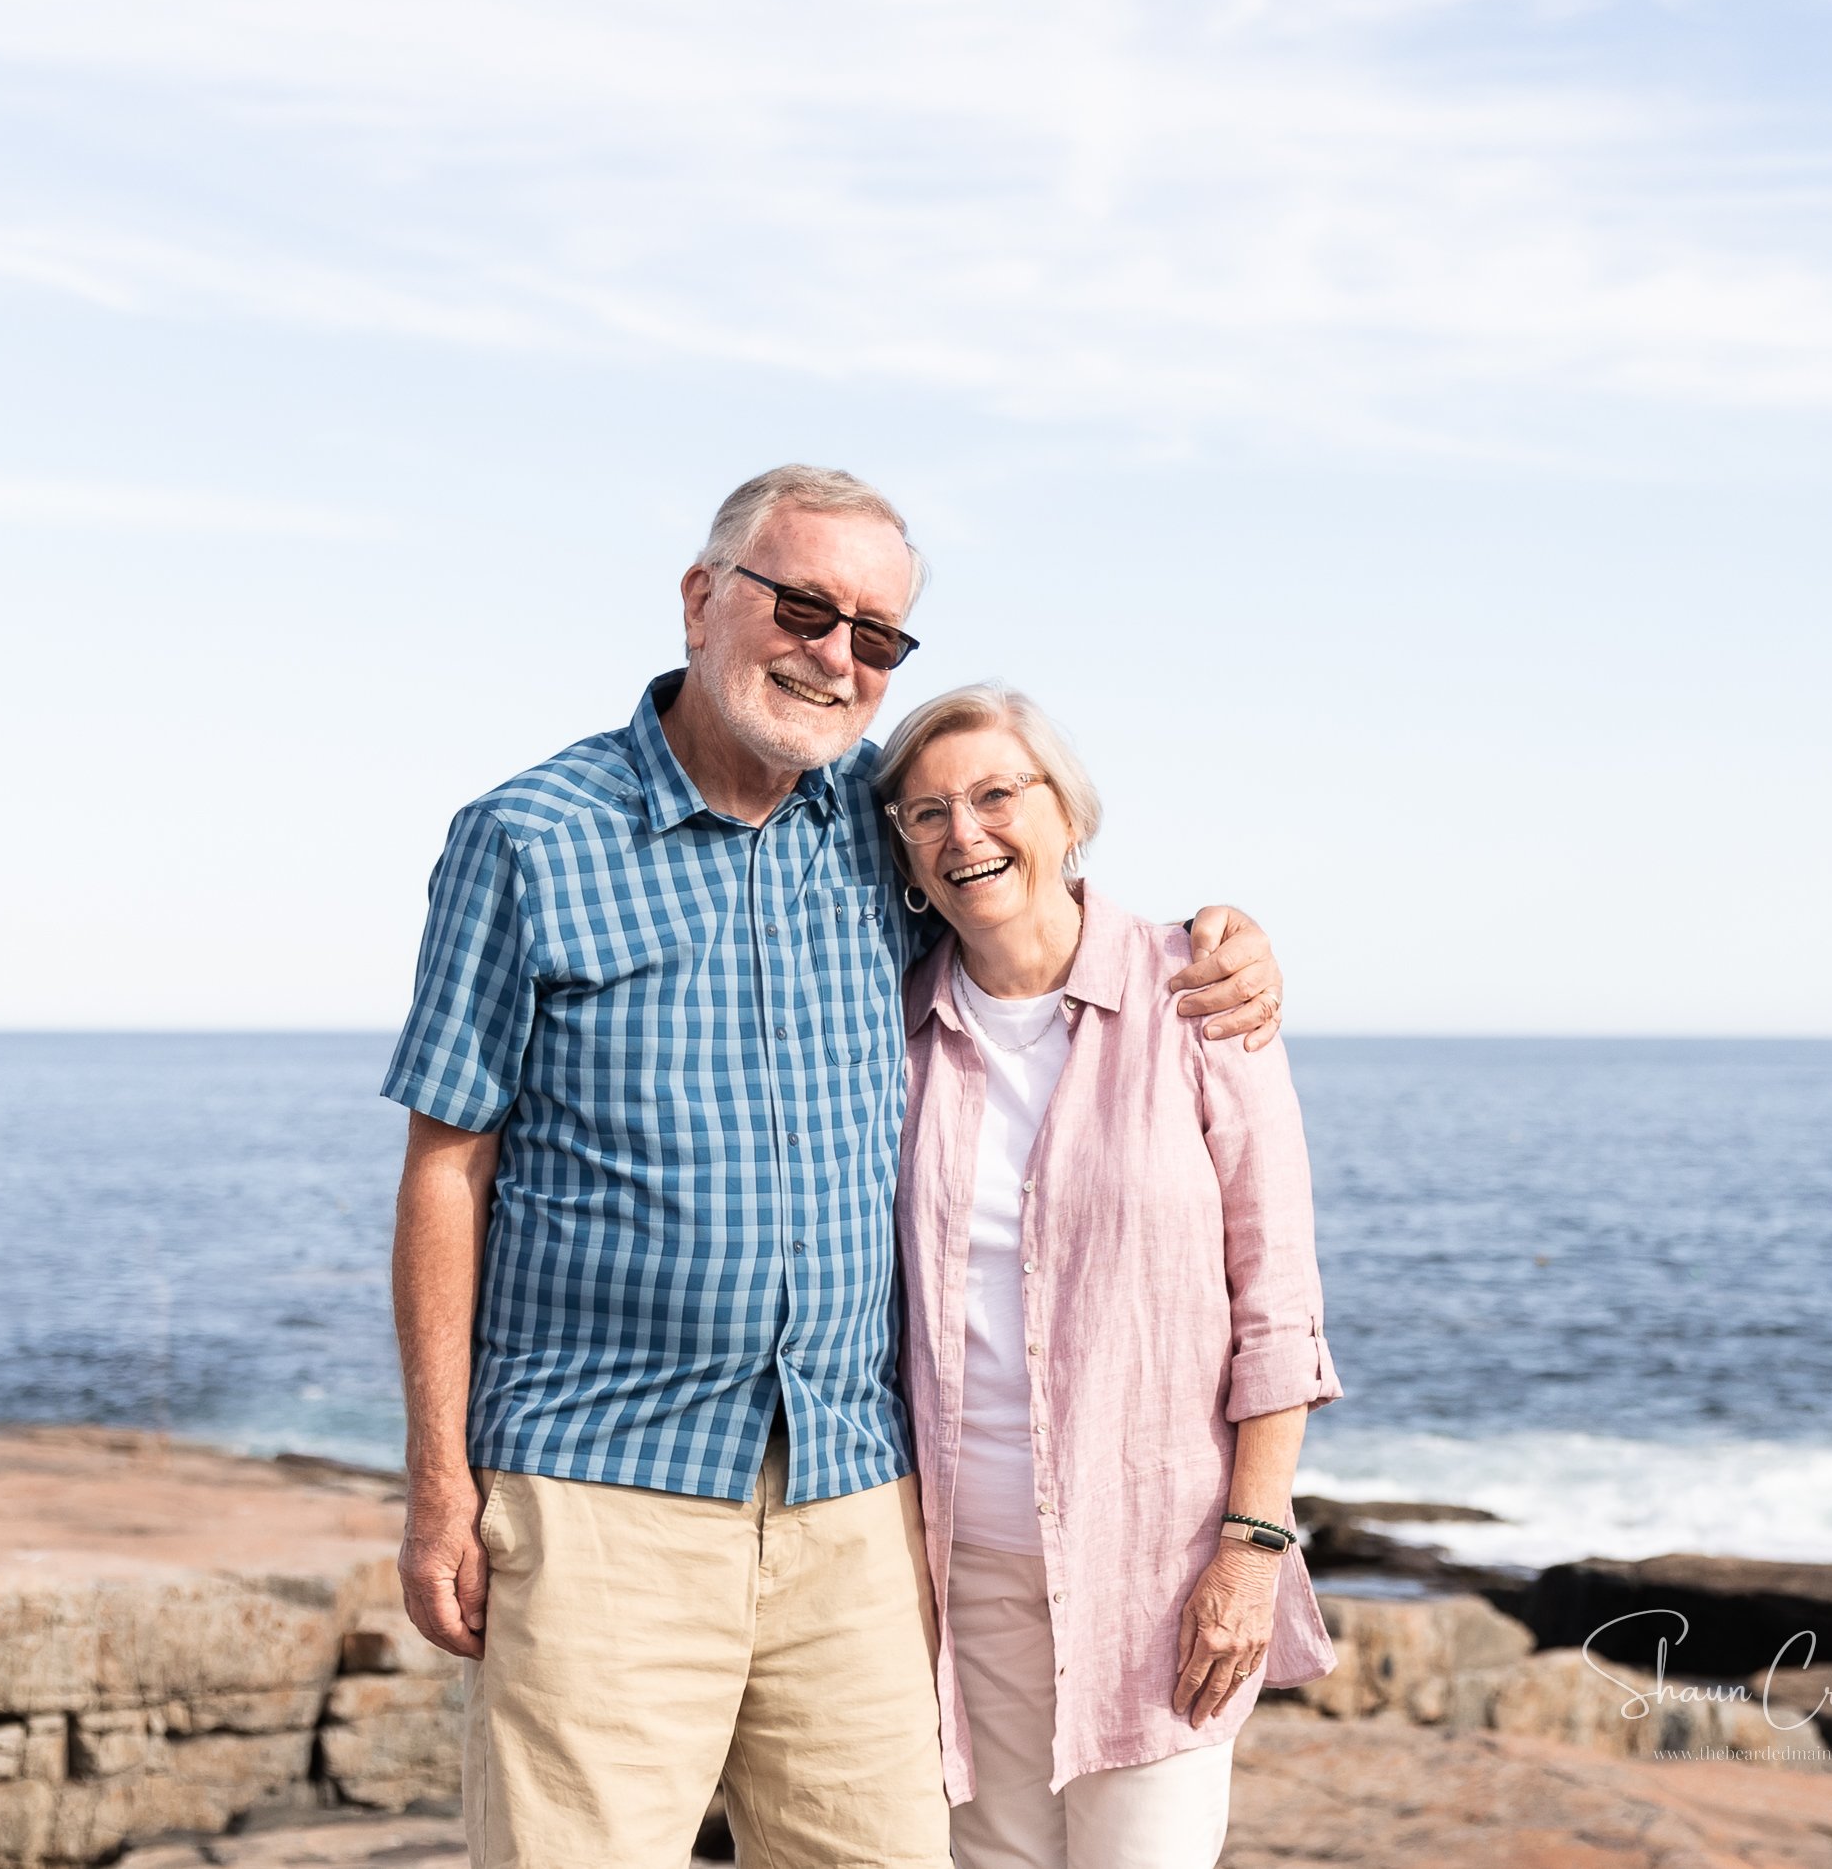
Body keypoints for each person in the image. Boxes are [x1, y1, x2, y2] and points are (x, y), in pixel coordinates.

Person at [381, 465, 1286, 1869]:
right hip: (600, 1487)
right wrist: (439, 1479)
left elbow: (1025, 883)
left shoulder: (879, 828)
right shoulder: (529, 838)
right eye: (805, 606)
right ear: (702, 597)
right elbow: (449, 1163)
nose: (835, 653)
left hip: (857, 1499)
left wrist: (1218, 935)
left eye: (876, 635)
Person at [876, 682, 1342, 1869]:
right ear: (906, 857)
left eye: (994, 795)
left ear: (1065, 812)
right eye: (926, 814)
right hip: (958, 1580)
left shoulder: (1198, 989)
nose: (963, 833)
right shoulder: (892, 1025)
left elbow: (1277, 1309)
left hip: (1160, 1574)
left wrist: (1249, 1549)